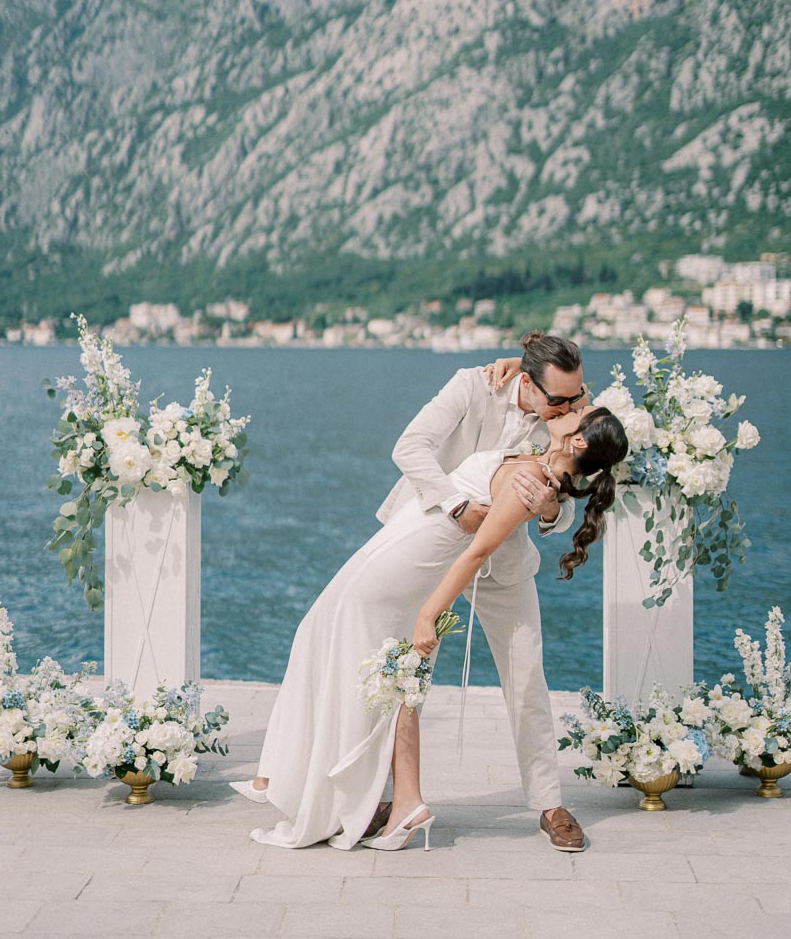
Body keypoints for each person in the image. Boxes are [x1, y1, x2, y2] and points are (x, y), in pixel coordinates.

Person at [234, 334, 626, 852]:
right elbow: (410, 448)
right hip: (433, 533)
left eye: (576, 399)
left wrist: (551, 510)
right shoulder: (474, 384)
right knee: (397, 669)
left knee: (527, 674)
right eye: (562, 399)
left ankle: (550, 803)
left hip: (498, 559)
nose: (573, 405)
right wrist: (457, 505)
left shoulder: (568, 418)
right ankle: (370, 793)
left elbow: (575, 488)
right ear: (527, 383)